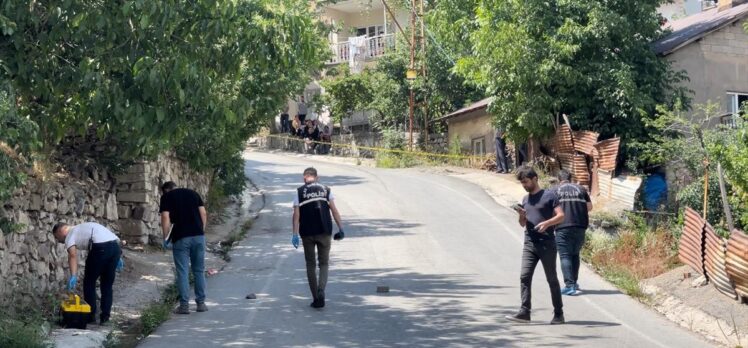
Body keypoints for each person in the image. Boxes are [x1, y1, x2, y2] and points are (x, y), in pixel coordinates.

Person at [506, 166, 566, 325]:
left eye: (526, 182)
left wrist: (547, 223)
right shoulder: (525, 199)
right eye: (522, 183)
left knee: (551, 279)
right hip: (529, 243)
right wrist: (521, 216)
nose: (524, 185)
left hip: (546, 243)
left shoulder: (549, 196)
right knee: (524, 276)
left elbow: (561, 216)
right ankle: (525, 312)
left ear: (535, 179)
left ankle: (559, 314)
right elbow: (522, 224)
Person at [292, 167, 345, 308]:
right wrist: (341, 228)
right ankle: (321, 289)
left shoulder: (299, 192)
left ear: (304, 178)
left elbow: (296, 215)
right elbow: (334, 210)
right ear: (317, 177)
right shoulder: (326, 190)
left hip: (307, 233)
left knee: (310, 265)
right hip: (324, 231)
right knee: (324, 263)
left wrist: (294, 234)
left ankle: (316, 298)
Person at [52, 221, 122, 325]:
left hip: (100, 248)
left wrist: (74, 275)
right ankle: (105, 318)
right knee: (107, 285)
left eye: (57, 237)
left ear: (61, 231)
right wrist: (118, 256)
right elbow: (114, 239)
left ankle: (90, 316)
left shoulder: (70, 234)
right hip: (115, 247)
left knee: (89, 282)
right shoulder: (83, 227)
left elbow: (72, 255)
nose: (58, 241)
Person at [160, 181, 208, 314]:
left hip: (181, 238)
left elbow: (165, 217)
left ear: (166, 190)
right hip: (199, 237)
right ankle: (201, 303)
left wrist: (165, 237)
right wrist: (201, 231)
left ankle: (184, 306)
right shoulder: (193, 193)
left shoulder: (167, 197)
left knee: (183, 271)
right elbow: (203, 213)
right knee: (199, 270)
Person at [554, 170, 592, 296]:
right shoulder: (581, 189)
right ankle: (574, 283)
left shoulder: (555, 190)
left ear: (558, 178)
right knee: (575, 255)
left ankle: (569, 286)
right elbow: (589, 207)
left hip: (563, 226)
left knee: (565, 255)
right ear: (570, 178)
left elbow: (550, 208)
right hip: (580, 226)